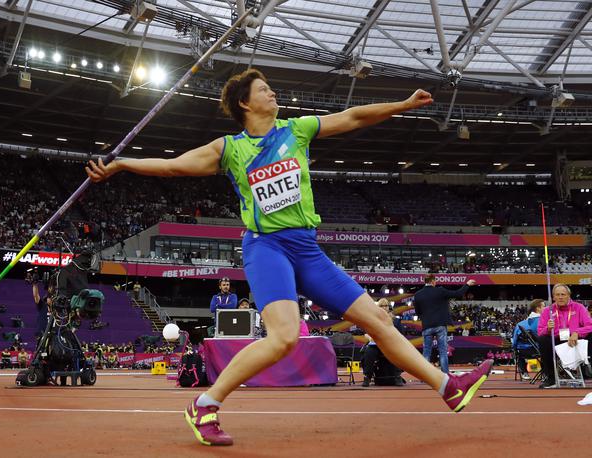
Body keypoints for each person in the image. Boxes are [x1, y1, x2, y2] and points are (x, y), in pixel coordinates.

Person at [86, 69, 493, 446]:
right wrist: (122, 163)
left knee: (379, 319)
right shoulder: (230, 149)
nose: (273, 92)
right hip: (267, 248)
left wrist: (401, 106)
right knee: (283, 336)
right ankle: (205, 405)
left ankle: (447, 387)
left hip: (306, 249)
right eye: (264, 89)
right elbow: (173, 167)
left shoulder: (295, 131)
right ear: (245, 103)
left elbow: (351, 118)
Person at [414, 274, 476, 373]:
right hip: (440, 325)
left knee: (426, 352)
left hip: (427, 326)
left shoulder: (418, 294)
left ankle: (424, 375)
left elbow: (417, 312)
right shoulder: (440, 291)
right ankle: (445, 374)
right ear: (433, 281)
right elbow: (457, 293)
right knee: (443, 351)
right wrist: (467, 284)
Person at [536, 284, 592, 388]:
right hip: (556, 341)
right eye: (557, 295)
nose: (560, 297)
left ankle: (587, 370)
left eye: (563, 294)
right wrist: (547, 329)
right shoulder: (547, 311)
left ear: (568, 295)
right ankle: (551, 378)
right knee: (543, 339)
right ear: (553, 297)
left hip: (575, 339)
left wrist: (577, 333)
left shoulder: (579, 307)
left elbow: (590, 325)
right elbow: (540, 332)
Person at [361, 299, 404, 387]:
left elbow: (401, 335)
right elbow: (366, 333)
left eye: (386, 306)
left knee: (399, 351)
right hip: (376, 346)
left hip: (391, 346)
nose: (384, 308)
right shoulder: (372, 319)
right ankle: (367, 377)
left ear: (389, 307)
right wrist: (370, 338)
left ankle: (397, 376)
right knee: (369, 351)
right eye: (382, 306)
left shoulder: (396, 321)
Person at [511, 298, 545, 380]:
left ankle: (524, 372)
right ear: (538, 308)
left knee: (519, 354)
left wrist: (514, 348)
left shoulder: (520, 324)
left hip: (523, 352)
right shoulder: (543, 321)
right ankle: (546, 373)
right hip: (540, 351)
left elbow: (515, 341)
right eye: (544, 306)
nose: (546, 308)